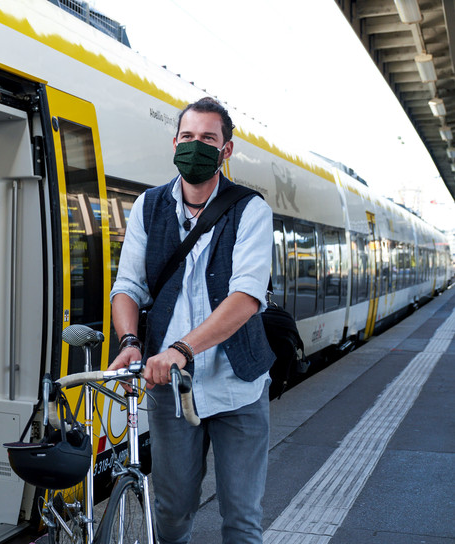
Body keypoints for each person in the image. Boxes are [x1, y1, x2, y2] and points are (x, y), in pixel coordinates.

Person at [108, 97, 274, 543]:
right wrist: (129, 340)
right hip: (170, 392)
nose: (195, 145)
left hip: (238, 386)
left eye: (207, 138)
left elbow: (245, 297)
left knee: (241, 519)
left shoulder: (250, 210)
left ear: (227, 150)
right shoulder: (149, 207)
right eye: (187, 137)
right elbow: (127, 286)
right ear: (174, 141)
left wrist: (181, 349)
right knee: (172, 511)